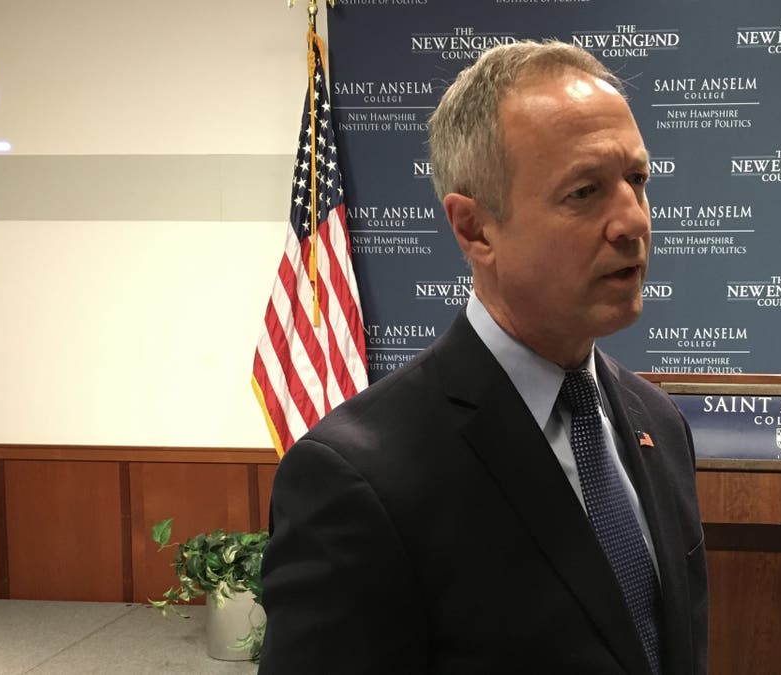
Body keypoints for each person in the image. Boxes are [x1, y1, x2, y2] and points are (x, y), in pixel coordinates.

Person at [259, 40, 707, 675]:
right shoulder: (359, 479)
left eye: (636, 180)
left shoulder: (659, 422)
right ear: (474, 229)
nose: (633, 221)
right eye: (584, 192)